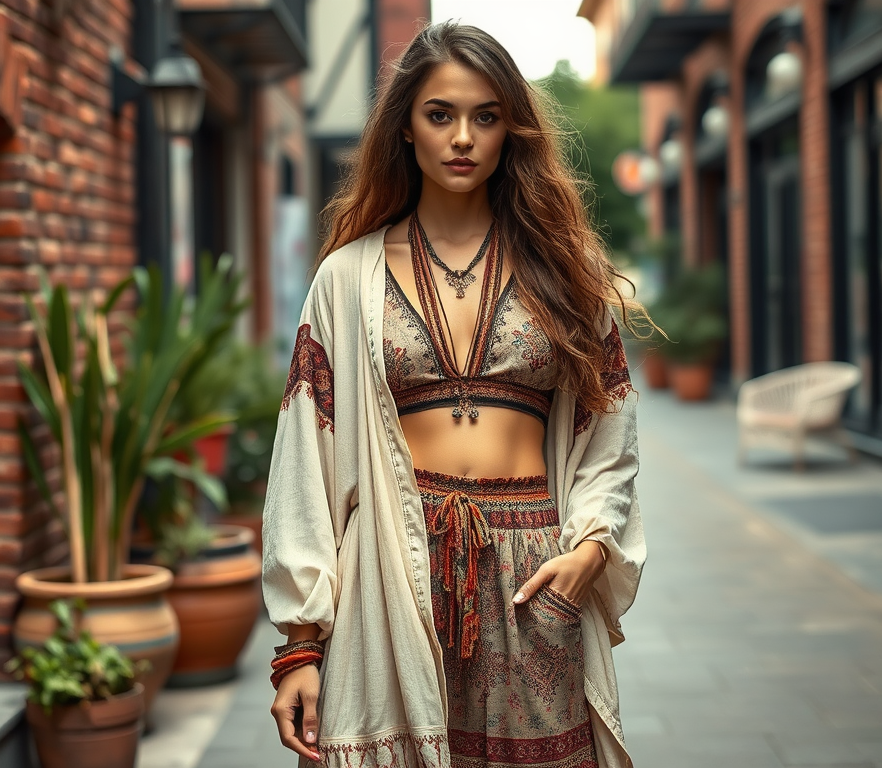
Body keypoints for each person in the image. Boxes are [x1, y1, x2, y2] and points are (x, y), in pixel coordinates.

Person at [262, 21, 646, 768]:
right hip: (392, 564)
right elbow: (304, 459)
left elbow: (611, 432)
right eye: (440, 114)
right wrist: (298, 647)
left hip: (534, 574)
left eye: (486, 115)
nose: (462, 136)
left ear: (512, 129)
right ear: (405, 127)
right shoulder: (348, 278)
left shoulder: (566, 275)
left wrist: (593, 545)